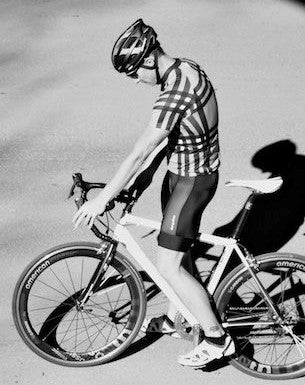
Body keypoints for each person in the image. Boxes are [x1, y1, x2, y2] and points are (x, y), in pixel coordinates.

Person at [71, 19, 232, 368]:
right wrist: (136, 185)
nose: (134, 81)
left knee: (168, 265)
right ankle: (176, 321)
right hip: (180, 174)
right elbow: (170, 139)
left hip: (193, 182)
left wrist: (103, 198)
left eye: (133, 74)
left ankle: (218, 339)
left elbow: (141, 150)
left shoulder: (174, 92)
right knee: (177, 249)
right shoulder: (183, 68)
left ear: (147, 60)